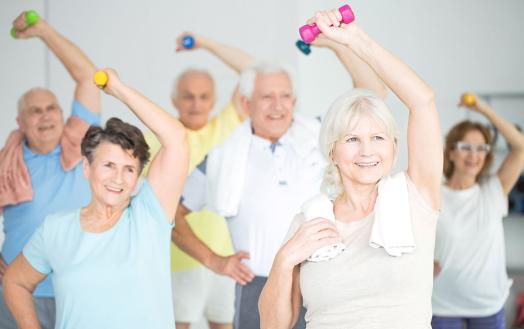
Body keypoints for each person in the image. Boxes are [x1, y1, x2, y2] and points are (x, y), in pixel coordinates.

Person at [170, 23, 387, 329]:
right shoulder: (222, 157)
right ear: (246, 104)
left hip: (322, 280)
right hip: (258, 286)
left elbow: (373, 94)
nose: (277, 106)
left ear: (294, 102)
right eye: (267, 97)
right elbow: (172, 215)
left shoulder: (320, 136)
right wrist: (214, 260)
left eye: (285, 96)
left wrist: (338, 45)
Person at [259, 7, 442, 329]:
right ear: (332, 151)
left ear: (394, 147)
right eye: (353, 139)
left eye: (378, 138)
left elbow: (422, 101)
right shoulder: (309, 222)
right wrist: (284, 260)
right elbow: (274, 326)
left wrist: (354, 38)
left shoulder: (417, 197)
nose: (367, 150)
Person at [2, 69, 189, 329]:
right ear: (87, 168)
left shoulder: (150, 215)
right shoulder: (56, 228)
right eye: (109, 165)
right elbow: (15, 281)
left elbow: (176, 138)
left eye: (129, 169)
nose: (118, 178)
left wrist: (120, 90)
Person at [144, 33, 252, 329]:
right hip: (177, 261)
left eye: (203, 96)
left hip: (228, 259)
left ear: (214, 100)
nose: (196, 103)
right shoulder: (157, 142)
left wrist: (207, 43)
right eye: (188, 96)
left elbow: (253, 73)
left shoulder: (228, 127)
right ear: (174, 100)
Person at [0, 11, 101, 328]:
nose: (45, 117)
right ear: (20, 122)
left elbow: (87, 75)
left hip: (80, 285)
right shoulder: (6, 163)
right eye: (34, 111)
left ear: (62, 113)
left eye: (51, 108)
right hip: (21, 290)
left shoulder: (83, 144)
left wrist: (43, 30)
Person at [432, 93, 524, 329]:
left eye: (481, 148)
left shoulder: (494, 189)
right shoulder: (433, 193)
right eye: (466, 147)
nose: (474, 155)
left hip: (488, 307)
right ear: (451, 152)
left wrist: (485, 111)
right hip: (442, 305)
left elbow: (520, 146)